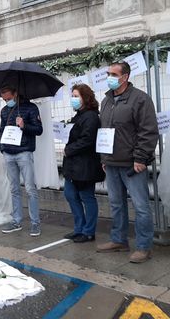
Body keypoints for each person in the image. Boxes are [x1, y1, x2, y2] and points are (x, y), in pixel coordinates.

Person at [97, 61, 159, 263]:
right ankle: (119, 240)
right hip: (112, 162)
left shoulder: (140, 99)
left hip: (133, 164)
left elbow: (148, 131)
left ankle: (143, 247)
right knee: (116, 204)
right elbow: (104, 131)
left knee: (141, 206)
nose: (109, 78)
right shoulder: (106, 101)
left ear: (125, 77)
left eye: (113, 74)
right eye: (108, 74)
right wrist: (104, 157)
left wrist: (141, 158)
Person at [0, 85, 43, 236]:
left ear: (16, 94)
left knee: (30, 189)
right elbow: (1, 130)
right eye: (4, 100)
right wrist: (2, 148)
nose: (7, 102)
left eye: (9, 99)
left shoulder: (31, 108)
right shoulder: (5, 111)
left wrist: (24, 126)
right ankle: (16, 220)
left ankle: (35, 223)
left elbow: (39, 129)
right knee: (14, 189)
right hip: (8, 153)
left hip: (24, 152)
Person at [62, 84, 103, 243]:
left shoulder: (91, 116)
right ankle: (79, 228)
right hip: (73, 165)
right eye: (72, 96)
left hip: (85, 165)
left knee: (87, 197)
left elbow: (88, 140)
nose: (73, 99)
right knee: (70, 195)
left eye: (76, 96)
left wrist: (69, 149)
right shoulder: (78, 115)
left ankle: (89, 231)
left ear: (85, 98)